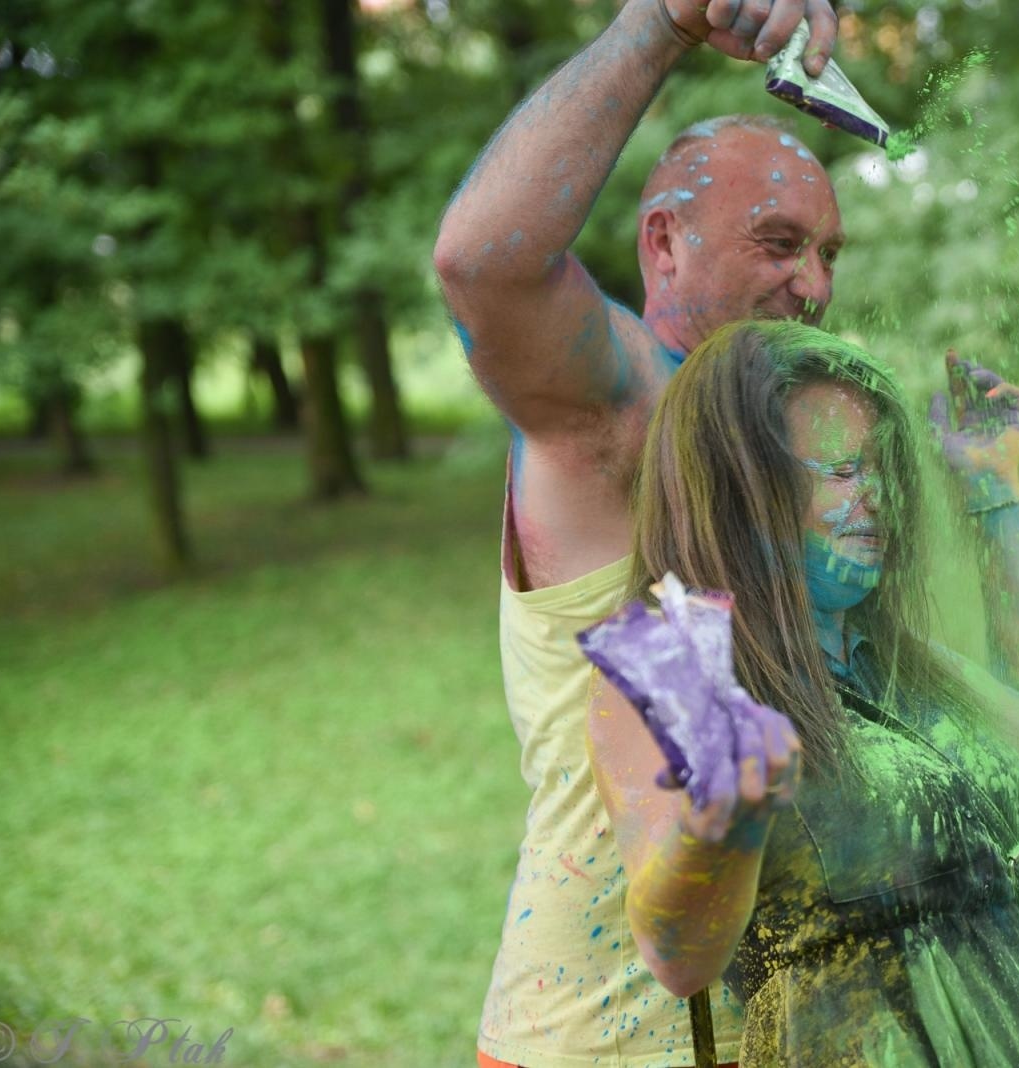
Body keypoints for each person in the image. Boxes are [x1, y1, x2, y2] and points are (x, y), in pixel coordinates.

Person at [430, 0, 845, 1064]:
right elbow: (483, 265)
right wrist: (659, 23)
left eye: (829, 254)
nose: (815, 285)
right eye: (779, 244)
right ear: (663, 243)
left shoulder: (769, 434)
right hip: (595, 1044)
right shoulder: (624, 408)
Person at [586, 320, 1019, 1064]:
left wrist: (993, 490)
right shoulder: (669, 669)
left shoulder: (881, 654)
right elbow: (679, 958)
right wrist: (721, 824)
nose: (877, 497)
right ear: (739, 491)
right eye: (843, 472)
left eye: (880, 469)